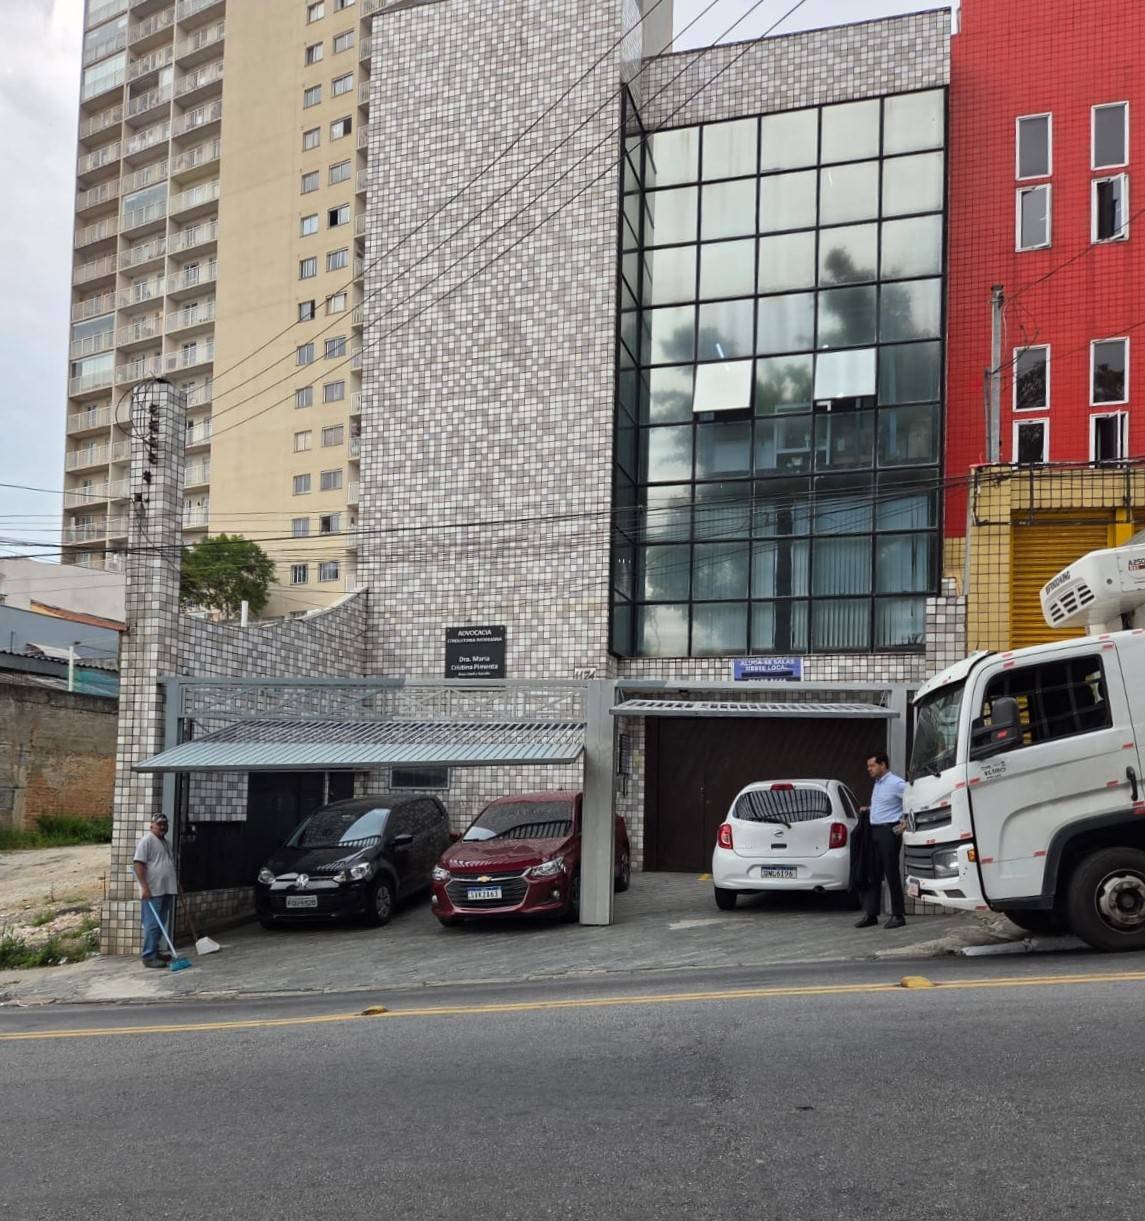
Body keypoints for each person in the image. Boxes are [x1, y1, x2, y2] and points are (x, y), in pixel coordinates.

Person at [854, 752, 907, 930]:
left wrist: (904, 820)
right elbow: (884, 805)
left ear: (883, 765)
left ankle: (898, 915)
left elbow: (912, 801)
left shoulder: (897, 783)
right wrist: (868, 810)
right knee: (873, 873)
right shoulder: (877, 784)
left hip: (889, 831)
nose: (869, 769)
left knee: (891, 872)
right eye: (868, 766)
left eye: (872, 766)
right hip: (874, 830)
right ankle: (871, 914)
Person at [133, 814, 178, 968]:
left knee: (161, 922)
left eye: (165, 824)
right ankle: (148, 956)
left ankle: (155, 951)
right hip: (153, 890)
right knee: (152, 923)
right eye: (160, 824)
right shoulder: (147, 841)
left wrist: (175, 880)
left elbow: (167, 863)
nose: (163, 827)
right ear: (152, 825)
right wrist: (144, 887)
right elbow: (138, 864)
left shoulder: (166, 843)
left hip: (166, 888)